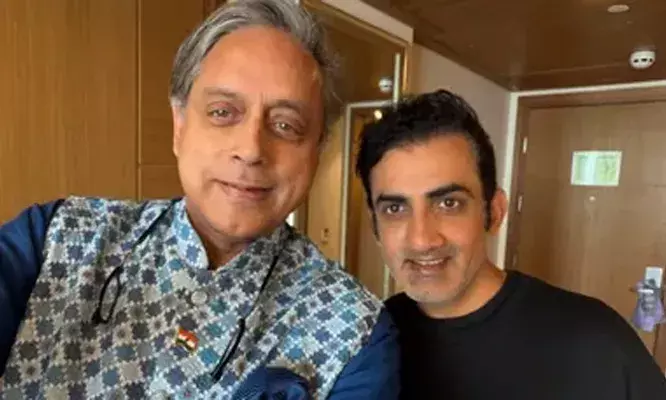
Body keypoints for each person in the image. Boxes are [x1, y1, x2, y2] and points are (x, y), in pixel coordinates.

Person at [0, 1, 399, 398]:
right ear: (179, 125)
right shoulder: (57, 237)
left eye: (285, 125)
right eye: (223, 112)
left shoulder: (355, 334)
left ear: (318, 150)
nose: (251, 149)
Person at [354, 88, 666, 399]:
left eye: (449, 203)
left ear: (494, 212)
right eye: (395, 209)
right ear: (375, 225)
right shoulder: (367, 345)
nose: (422, 240)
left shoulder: (596, 344)